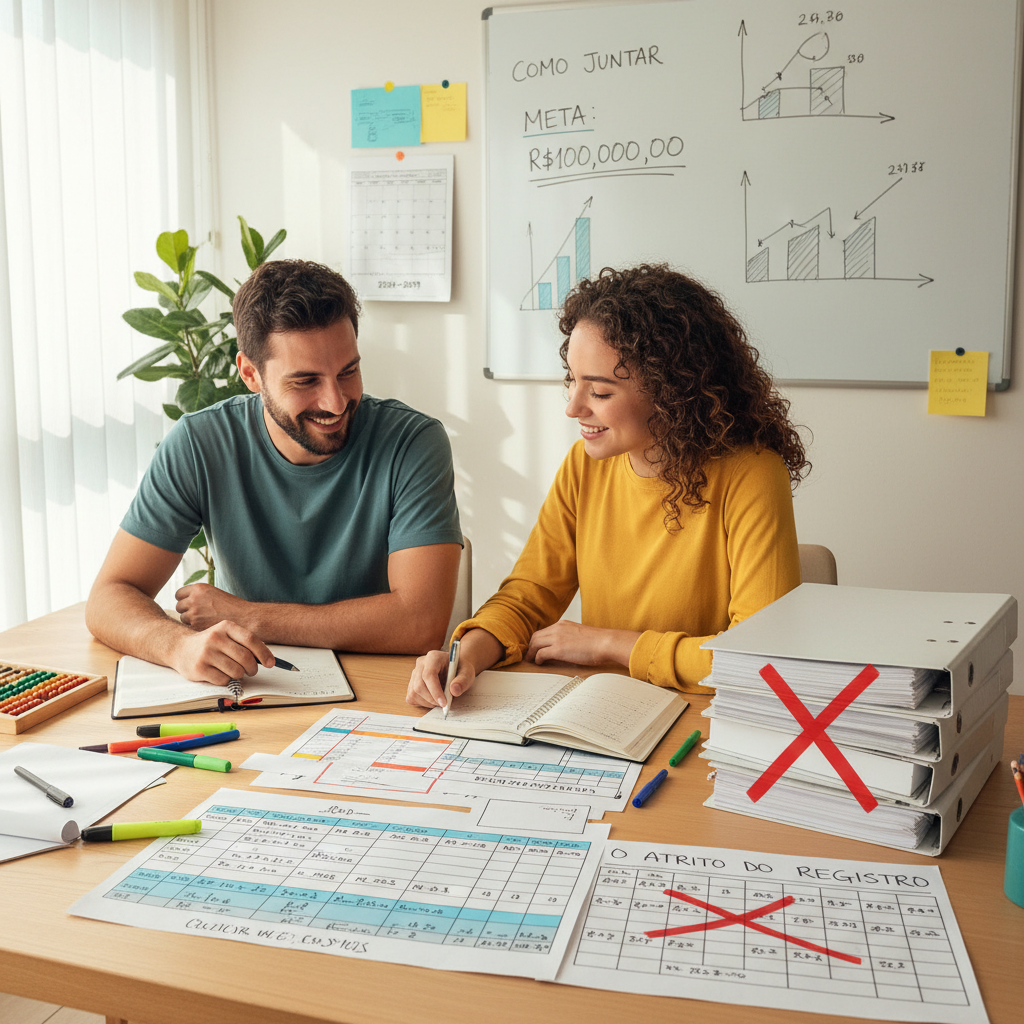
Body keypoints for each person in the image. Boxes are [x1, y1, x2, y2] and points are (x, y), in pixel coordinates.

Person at [407, 263, 808, 709]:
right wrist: (467, 654)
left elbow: (759, 663)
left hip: (706, 724)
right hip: (606, 715)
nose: (574, 408)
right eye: (573, 382)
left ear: (673, 392)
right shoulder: (585, 465)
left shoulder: (752, 474)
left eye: (598, 393)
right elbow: (529, 595)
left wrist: (608, 645)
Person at [87, 259, 462, 685]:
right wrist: (177, 646)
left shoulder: (413, 443)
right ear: (250, 373)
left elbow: (419, 623)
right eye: (306, 381)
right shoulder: (199, 443)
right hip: (249, 686)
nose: (336, 402)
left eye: (348, 371)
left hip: (376, 689)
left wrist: (249, 617)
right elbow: (109, 597)